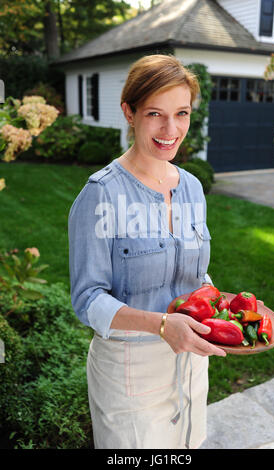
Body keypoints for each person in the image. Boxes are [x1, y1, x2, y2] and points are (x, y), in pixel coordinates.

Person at [68, 54, 226, 450]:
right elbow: (87, 299)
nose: (170, 129)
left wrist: (218, 304)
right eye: (155, 113)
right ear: (129, 112)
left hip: (191, 364)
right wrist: (160, 324)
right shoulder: (102, 193)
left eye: (182, 113)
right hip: (129, 374)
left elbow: (195, 274)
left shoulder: (191, 187)